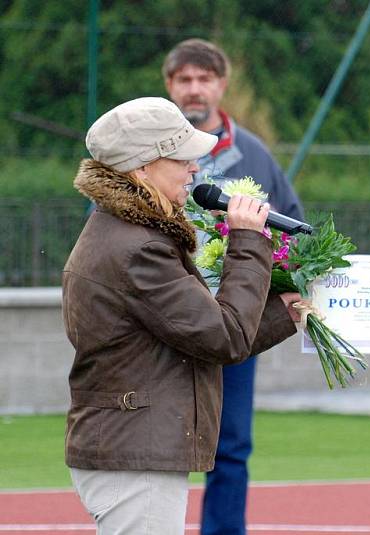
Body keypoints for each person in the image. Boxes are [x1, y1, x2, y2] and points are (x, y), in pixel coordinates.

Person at [63, 96, 300, 534]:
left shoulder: (127, 231)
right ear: (141, 168)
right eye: (183, 157)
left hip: (131, 447)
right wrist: (248, 242)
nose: (196, 168)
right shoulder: (139, 247)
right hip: (134, 454)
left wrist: (284, 313)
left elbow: (201, 337)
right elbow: (223, 337)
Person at [162, 38, 305, 535]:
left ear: (222, 85)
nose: (195, 89)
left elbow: (292, 233)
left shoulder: (256, 156)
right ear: (170, 86)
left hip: (233, 326)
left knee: (232, 447)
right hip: (164, 323)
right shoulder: (147, 153)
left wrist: (282, 285)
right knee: (159, 444)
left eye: (205, 79)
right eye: (185, 79)